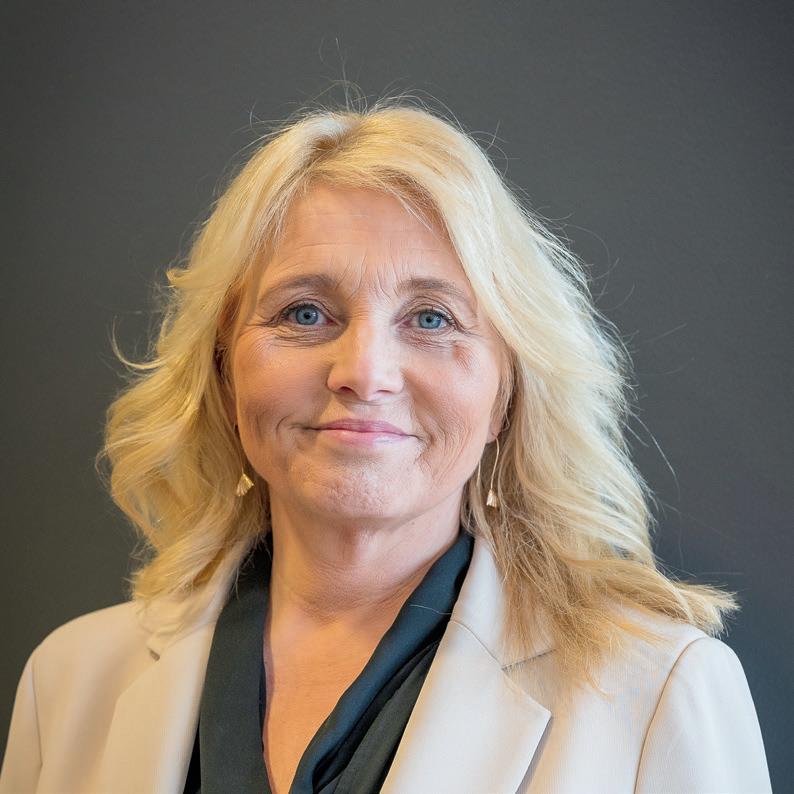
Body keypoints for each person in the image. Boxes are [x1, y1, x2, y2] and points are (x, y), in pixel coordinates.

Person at [0, 93, 772, 794]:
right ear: (225, 370)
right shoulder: (68, 684)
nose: (364, 374)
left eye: (431, 319)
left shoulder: (660, 692)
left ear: (505, 396)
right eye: (305, 313)